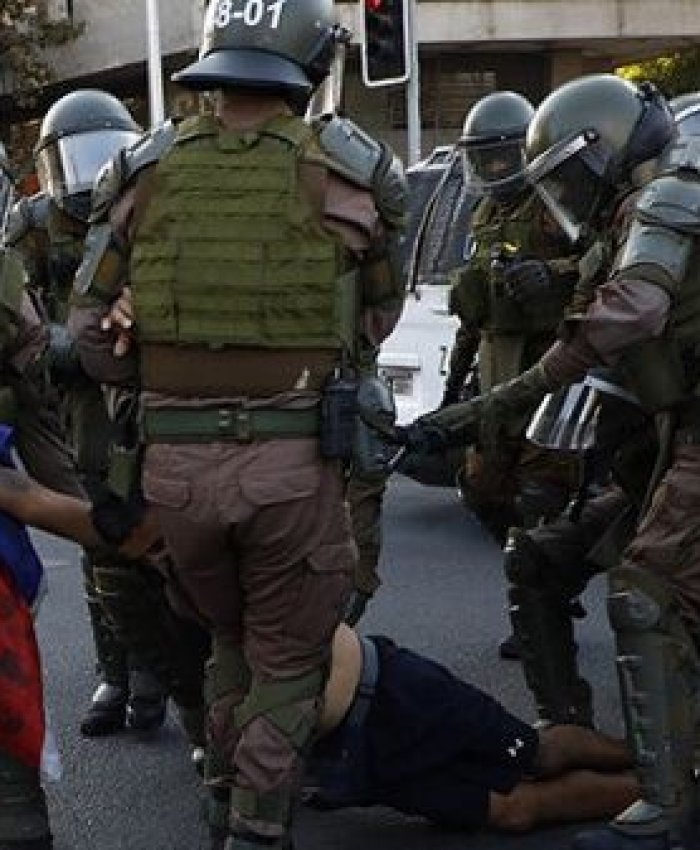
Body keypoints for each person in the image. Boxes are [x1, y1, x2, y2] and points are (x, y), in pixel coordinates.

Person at [68, 3, 407, 849]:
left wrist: (146, 341)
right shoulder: (349, 172)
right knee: (289, 661)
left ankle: (223, 793)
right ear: (305, 56)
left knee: (228, 639)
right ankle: (257, 825)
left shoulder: (144, 171)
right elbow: (375, 322)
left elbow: (89, 343)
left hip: (176, 475)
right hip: (290, 464)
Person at [397, 74, 696, 850]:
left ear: (600, 149)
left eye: (566, 174)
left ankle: (667, 803)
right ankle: (578, 739)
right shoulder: (615, 220)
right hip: (657, 446)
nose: (562, 194)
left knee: (645, 591)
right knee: (538, 560)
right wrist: (465, 411)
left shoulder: (669, 197)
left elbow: (629, 314)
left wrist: (478, 410)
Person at [6, 89, 185, 738]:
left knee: (163, 522)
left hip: (148, 388)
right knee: (99, 527)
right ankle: (118, 668)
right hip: (77, 402)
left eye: (101, 158)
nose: (85, 179)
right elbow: (17, 325)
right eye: (72, 163)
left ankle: (158, 668)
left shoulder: (147, 208)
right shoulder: (29, 227)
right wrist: (71, 346)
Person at [442, 91, 581, 552]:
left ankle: (540, 597)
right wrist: (453, 389)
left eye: (502, 158)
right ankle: (523, 560)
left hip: (550, 366)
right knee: (481, 487)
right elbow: (474, 313)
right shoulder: (484, 215)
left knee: (542, 495)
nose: (494, 170)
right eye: (484, 160)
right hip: (496, 372)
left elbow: (603, 267)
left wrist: (551, 274)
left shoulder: (556, 204)